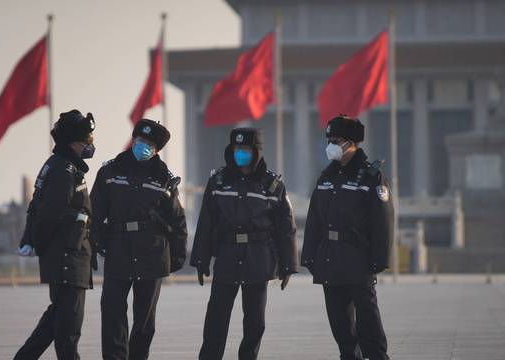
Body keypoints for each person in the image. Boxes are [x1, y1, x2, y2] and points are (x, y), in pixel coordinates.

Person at [190, 127, 298, 360]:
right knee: (216, 317)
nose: (240, 153)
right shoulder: (218, 181)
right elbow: (206, 222)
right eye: (237, 148)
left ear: (256, 151)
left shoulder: (272, 184)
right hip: (227, 255)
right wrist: (200, 259)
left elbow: (286, 226)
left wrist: (288, 263)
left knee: (255, 320)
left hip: (258, 257)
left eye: (246, 149)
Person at [89, 118, 187, 360]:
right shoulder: (109, 171)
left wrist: (178, 255)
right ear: (133, 140)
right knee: (111, 310)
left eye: (149, 144)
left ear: (156, 150)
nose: (143, 146)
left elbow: (177, 220)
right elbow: (94, 211)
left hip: (152, 252)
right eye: (140, 140)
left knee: (144, 318)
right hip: (118, 249)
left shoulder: (164, 177)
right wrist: (96, 243)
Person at [301, 115, 394, 360]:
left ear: (352, 143)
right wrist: (309, 256)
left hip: (358, 259)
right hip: (330, 259)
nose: (331, 144)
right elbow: (314, 220)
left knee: (368, 323)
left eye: (337, 140)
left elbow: (382, 221)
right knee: (340, 325)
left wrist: (379, 259)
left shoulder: (370, 177)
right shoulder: (326, 176)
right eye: (329, 139)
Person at [14, 109, 96, 360]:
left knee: (55, 321)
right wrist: (37, 243)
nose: (90, 145)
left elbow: (36, 208)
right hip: (67, 258)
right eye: (87, 141)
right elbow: (49, 215)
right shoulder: (64, 171)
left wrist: (32, 241)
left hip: (67, 257)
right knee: (68, 329)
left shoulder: (58, 166)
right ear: (73, 142)